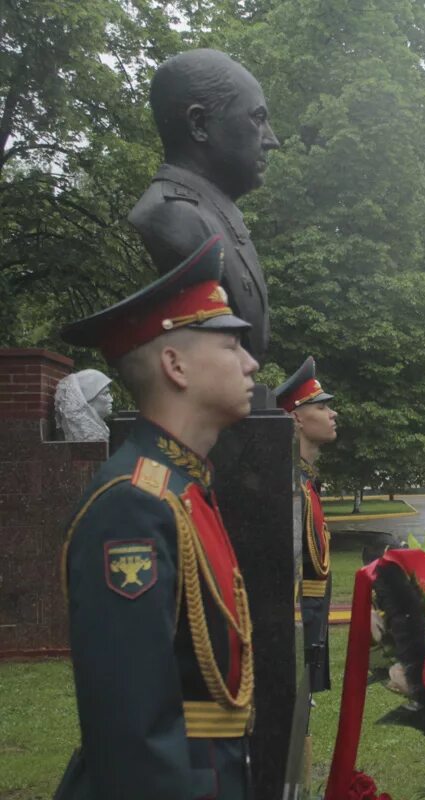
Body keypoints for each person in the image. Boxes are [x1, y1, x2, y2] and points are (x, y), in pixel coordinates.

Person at [55, 235, 259, 798]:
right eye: (230, 345)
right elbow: (133, 734)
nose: (252, 362)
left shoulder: (180, 485)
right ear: (175, 364)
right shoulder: (133, 504)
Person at [129, 49, 280, 362]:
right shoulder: (172, 215)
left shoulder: (221, 217)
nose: (271, 139)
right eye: (258, 118)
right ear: (199, 124)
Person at [276, 357, 338, 694]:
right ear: (296, 418)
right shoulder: (290, 487)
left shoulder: (305, 483)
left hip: (310, 625)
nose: (333, 414)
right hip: (296, 629)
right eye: (322, 407)